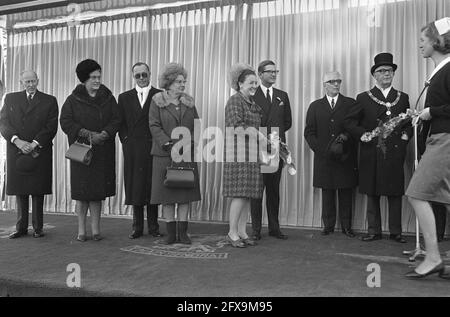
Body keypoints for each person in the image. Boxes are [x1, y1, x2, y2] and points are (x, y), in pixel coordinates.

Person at [344, 52, 412, 243]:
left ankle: (396, 231)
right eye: (381, 71)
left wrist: (407, 136)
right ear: (374, 75)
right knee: (372, 191)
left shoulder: (403, 98)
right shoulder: (364, 97)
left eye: (389, 70)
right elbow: (350, 122)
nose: (386, 74)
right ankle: (374, 230)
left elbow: (408, 123)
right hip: (372, 151)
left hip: (394, 152)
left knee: (395, 192)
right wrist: (363, 134)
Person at [404, 18, 450, 279]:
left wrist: (432, 112)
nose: (419, 45)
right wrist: (424, 115)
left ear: (436, 42)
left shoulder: (448, 70)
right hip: (440, 138)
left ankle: (433, 256)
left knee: (416, 193)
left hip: (444, 140)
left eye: (423, 40)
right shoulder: (440, 72)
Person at [60, 59, 121, 242]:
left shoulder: (109, 98)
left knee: (97, 193)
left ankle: (96, 230)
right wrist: (87, 134)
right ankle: (81, 231)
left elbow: (117, 119)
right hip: (82, 152)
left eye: (99, 76)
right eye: (93, 77)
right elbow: (66, 122)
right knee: (82, 194)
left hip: (102, 151)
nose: (97, 80)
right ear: (84, 79)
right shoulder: (72, 100)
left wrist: (105, 133)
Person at [0, 70, 58, 238]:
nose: (31, 84)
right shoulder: (10, 98)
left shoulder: (49, 100)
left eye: (33, 81)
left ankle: (38, 228)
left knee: (38, 190)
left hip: (39, 150)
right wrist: (17, 141)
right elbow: (3, 122)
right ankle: (21, 228)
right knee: (20, 190)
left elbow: (51, 126)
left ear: (38, 81)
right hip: (16, 149)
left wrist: (33, 144)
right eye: (27, 82)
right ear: (21, 82)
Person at [148, 63, 201, 245]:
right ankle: (171, 232)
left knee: (184, 194)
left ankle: (183, 233)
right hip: (164, 155)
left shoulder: (189, 102)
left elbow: (197, 126)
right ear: (169, 83)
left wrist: (188, 144)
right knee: (167, 196)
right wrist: (169, 144)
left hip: (186, 154)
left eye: (184, 81)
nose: (182, 84)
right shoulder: (157, 101)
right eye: (179, 81)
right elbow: (154, 125)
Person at [304, 71, 358, 237]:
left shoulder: (350, 103)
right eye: (332, 81)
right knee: (327, 192)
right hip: (324, 158)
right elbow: (309, 132)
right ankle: (328, 225)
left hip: (345, 157)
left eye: (338, 81)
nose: (336, 84)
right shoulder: (315, 106)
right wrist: (322, 151)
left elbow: (355, 127)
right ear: (324, 85)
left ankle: (346, 226)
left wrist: (344, 143)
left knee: (346, 192)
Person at [118, 62, 163, 239]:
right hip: (133, 149)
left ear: (150, 74)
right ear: (133, 77)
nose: (142, 78)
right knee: (135, 186)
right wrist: (126, 141)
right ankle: (137, 227)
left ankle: (154, 227)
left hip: (153, 147)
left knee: (153, 186)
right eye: (138, 76)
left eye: (144, 74)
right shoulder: (124, 97)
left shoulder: (159, 95)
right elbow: (120, 123)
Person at [250, 60, 292, 240]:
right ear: (260, 74)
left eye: (276, 71)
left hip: (276, 149)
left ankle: (274, 228)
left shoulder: (282, 95)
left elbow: (287, 122)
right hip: (258, 149)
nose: (274, 74)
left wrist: (276, 137)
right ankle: (256, 229)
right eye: (270, 71)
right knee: (257, 191)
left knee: (274, 191)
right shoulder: (251, 94)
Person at [223, 63, 263, 248]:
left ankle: (242, 231)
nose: (255, 85)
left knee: (247, 195)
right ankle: (232, 232)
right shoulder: (235, 101)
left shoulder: (253, 103)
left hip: (251, 153)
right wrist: (257, 134)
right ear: (240, 84)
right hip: (238, 153)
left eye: (256, 82)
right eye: (251, 82)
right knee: (239, 194)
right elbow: (235, 127)